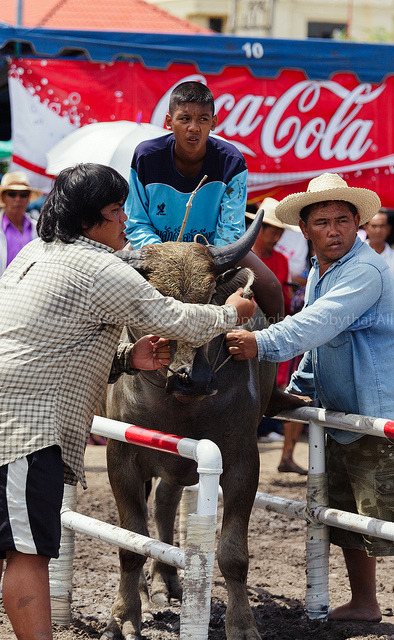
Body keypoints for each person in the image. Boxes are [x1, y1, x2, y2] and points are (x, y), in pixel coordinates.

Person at [0, 163, 256, 640]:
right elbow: (177, 319)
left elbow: (55, 338)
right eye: (116, 210)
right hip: (25, 428)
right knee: (28, 553)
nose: (125, 219)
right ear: (87, 220)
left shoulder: (38, 250)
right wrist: (232, 311)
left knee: (18, 546)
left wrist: (125, 357)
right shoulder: (103, 268)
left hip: (13, 416)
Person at [226, 172, 394, 640]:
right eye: (323, 222)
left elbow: (316, 325)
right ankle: (364, 603)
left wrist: (260, 341)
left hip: (384, 415)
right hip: (348, 412)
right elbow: (321, 347)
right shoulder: (322, 270)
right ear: (306, 229)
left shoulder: (364, 269)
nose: (334, 230)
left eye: (343, 220)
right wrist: (292, 388)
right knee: (350, 512)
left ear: (359, 223)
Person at [124, 79, 285, 325]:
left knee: (272, 288)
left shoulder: (232, 161)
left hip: (213, 254)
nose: (193, 127)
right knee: (108, 285)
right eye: (184, 118)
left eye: (202, 119)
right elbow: (136, 221)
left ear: (214, 122)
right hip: (156, 251)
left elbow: (231, 229)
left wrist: (207, 260)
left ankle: (274, 350)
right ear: (169, 121)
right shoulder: (146, 156)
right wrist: (165, 255)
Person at [247, 198, 307, 474]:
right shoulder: (242, 254)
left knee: (285, 390)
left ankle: (286, 455)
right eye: (272, 229)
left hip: (272, 332)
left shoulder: (281, 260)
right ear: (258, 227)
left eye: (279, 230)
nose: (276, 235)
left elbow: (281, 297)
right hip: (244, 331)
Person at [0, 171, 42, 275]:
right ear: (3, 197)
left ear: (28, 198)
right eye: (12, 194)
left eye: (23, 194)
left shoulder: (38, 229)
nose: (18, 199)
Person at [364, 210, 394, 300]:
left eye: (382, 226)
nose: (378, 230)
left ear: (388, 229)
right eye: (374, 226)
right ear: (366, 228)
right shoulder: (354, 254)